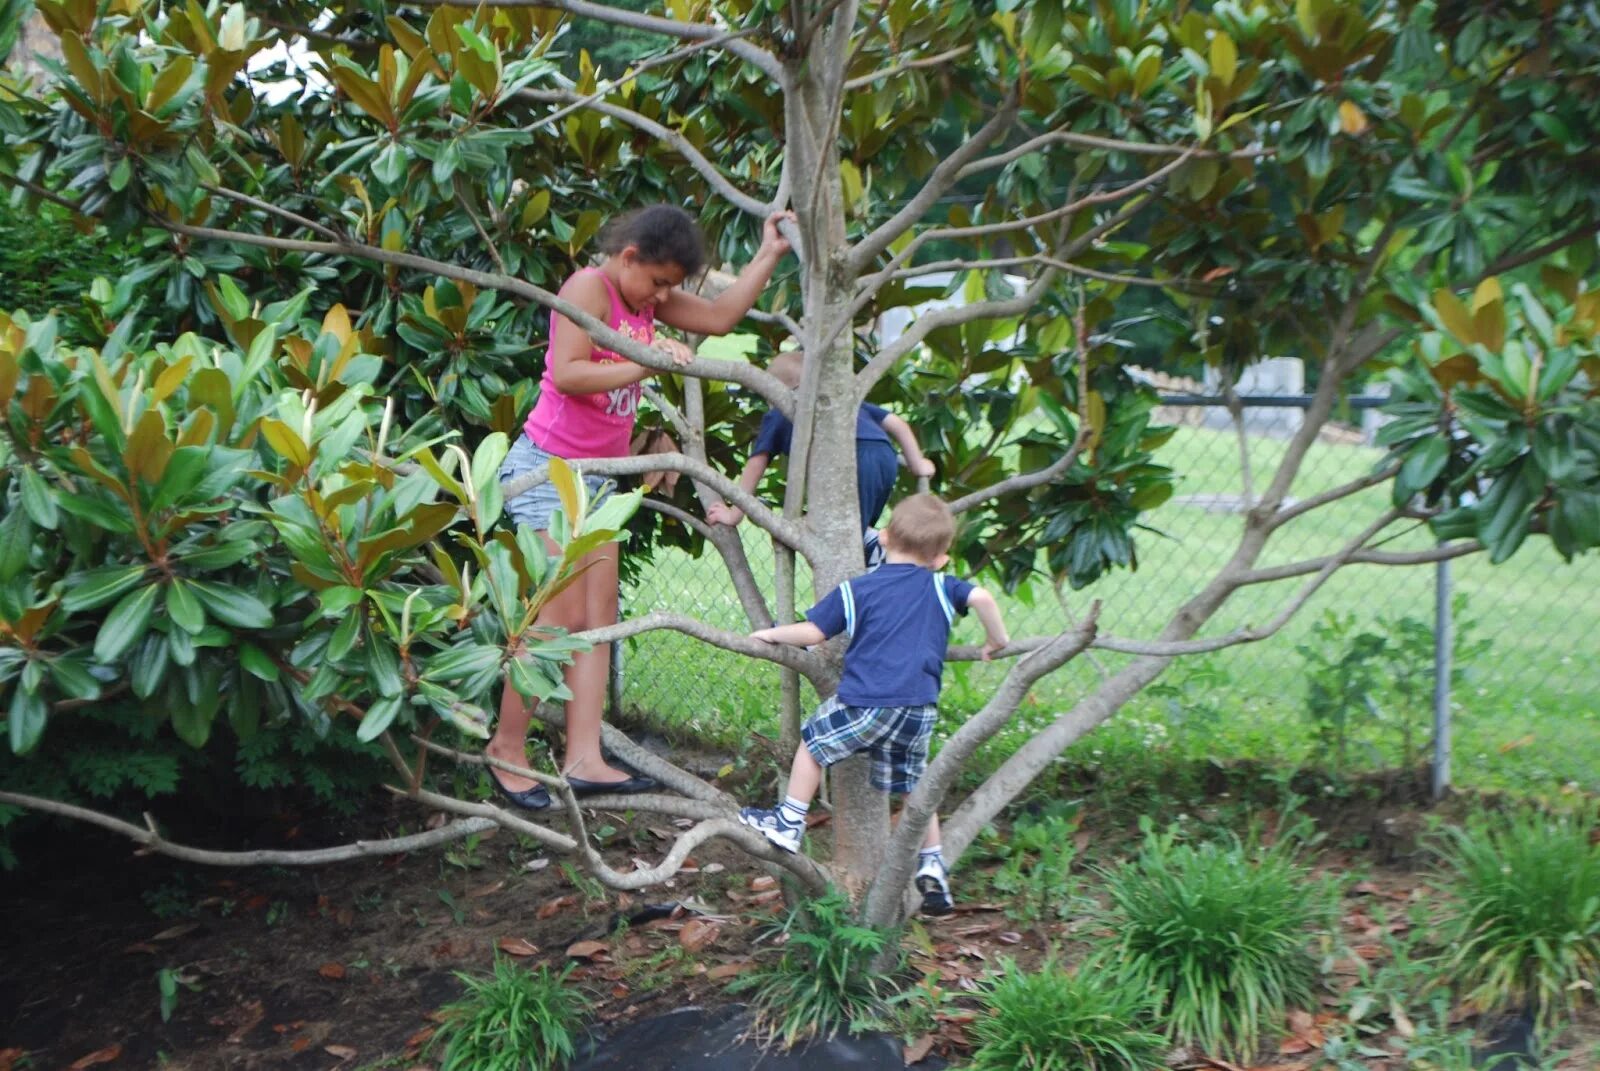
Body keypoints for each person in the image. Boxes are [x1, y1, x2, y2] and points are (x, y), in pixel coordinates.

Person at [488, 205, 797, 810]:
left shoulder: (646, 300)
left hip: (600, 479)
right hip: (551, 472)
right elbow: (570, 373)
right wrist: (647, 360)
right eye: (657, 281)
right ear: (629, 257)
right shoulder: (590, 288)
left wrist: (767, 254)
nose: (663, 295)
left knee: (598, 619)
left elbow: (719, 315)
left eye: (671, 287)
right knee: (554, 618)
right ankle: (506, 748)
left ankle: (584, 758)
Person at [738, 494, 1010, 915]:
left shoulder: (860, 587)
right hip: (918, 709)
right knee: (914, 787)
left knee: (812, 746)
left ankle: (789, 823)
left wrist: (771, 634)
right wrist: (997, 641)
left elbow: (814, 633)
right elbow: (984, 599)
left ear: (883, 538)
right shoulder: (943, 586)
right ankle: (934, 865)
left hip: (867, 702)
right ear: (940, 558)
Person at [704, 349, 935, 566]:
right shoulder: (840, 404)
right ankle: (873, 550)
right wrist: (917, 464)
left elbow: (757, 463)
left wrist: (734, 513)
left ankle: (881, 553)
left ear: (774, 390)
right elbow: (897, 423)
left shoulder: (782, 411)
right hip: (885, 456)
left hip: (851, 461)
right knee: (854, 528)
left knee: (845, 541)